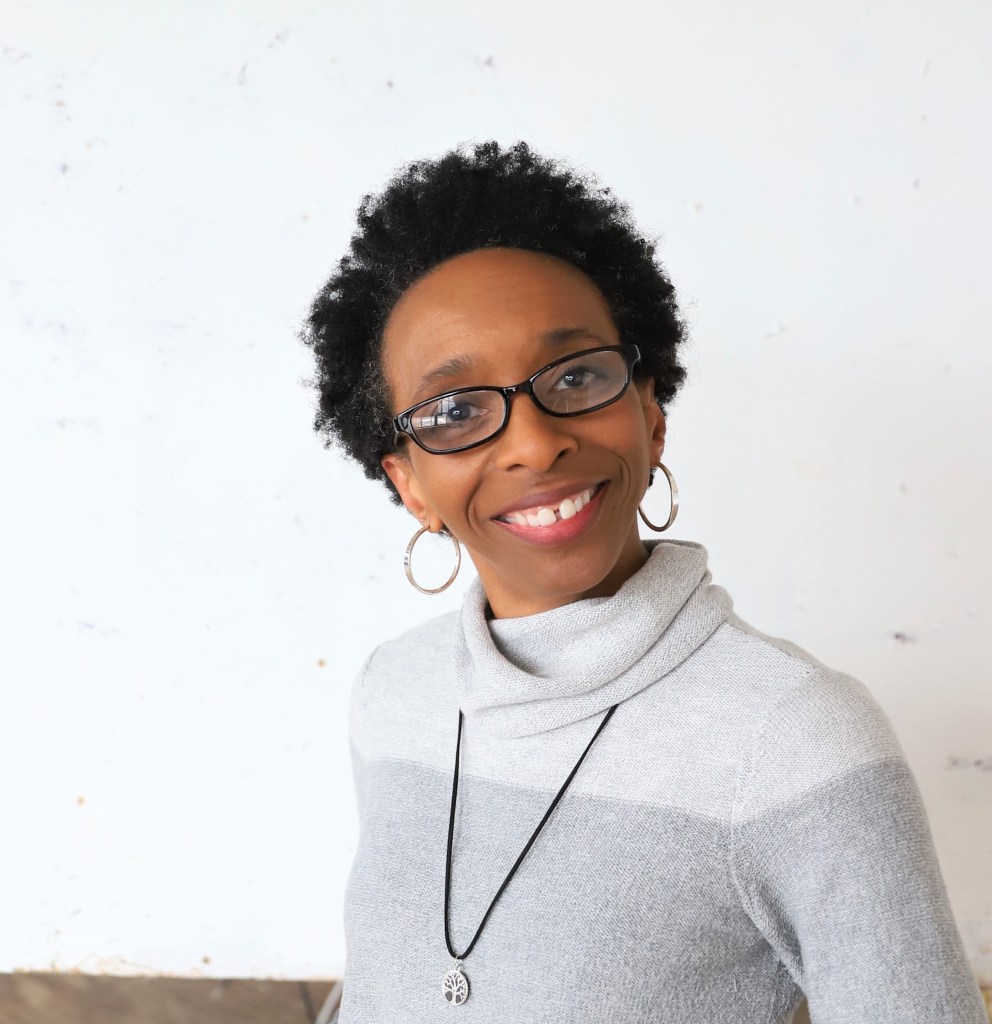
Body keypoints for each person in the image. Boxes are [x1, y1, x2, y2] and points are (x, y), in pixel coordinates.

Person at [301, 142, 986, 1023]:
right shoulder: (393, 693)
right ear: (408, 484)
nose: (534, 442)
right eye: (455, 411)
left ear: (649, 414)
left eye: (577, 376)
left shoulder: (795, 737)